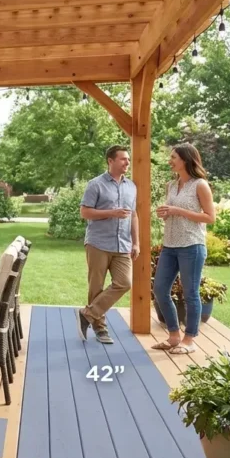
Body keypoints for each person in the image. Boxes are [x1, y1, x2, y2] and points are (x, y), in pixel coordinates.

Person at [150, 143, 216, 355]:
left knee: (190, 294)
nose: (170, 161)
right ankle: (173, 336)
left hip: (192, 246)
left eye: (174, 157)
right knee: (160, 289)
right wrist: (166, 213)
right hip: (170, 246)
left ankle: (189, 339)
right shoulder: (172, 185)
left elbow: (210, 217)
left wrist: (177, 210)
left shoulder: (200, 185)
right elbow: (174, 211)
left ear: (186, 160)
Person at [77, 145, 139, 344]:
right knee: (96, 287)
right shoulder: (95, 184)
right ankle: (100, 329)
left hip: (122, 245)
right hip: (98, 243)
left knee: (124, 283)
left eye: (128, 159)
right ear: (110, 161)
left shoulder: (131, 186)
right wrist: (111, 213)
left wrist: (136, 243)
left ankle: (88, 314)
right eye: (123, 159)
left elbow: (134, 215)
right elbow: (85, 212)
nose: (127, 163)